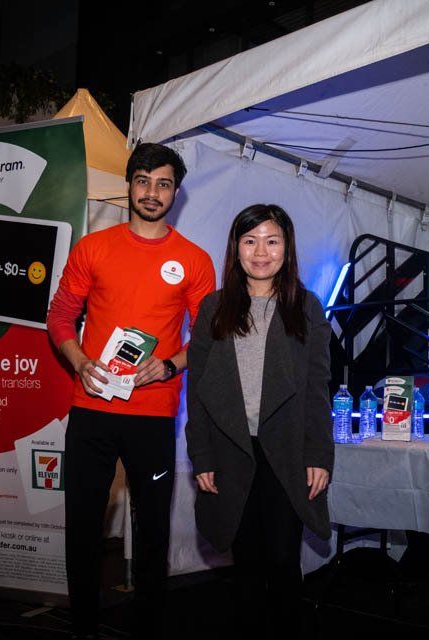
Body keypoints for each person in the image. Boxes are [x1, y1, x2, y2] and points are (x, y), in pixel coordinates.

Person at [46, 143, 215, 639]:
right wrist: (78, 361)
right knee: (82, 525)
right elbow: (59, 317)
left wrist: (167, 366)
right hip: (92, 407)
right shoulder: (94, 248)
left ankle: (149, 625)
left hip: (153, 414)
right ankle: (83, 626)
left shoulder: (193, 260)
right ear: (129, 185)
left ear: (176, 193)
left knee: (153, 530)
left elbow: (208, 338)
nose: (151, 192)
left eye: (163, 183)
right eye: (143, 180)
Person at [185, 204, 333, 637]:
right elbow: (197, 392)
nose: (261, 252)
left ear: (287, 248)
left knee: (284, 562)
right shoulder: (213, 308)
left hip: (286, 454)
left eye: (272, 240)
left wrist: (320, 454)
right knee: (245, 564)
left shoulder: (306, 308)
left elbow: (317, 389)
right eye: (250, 241)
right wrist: (202, 457)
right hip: (232, 454)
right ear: (236, 248)